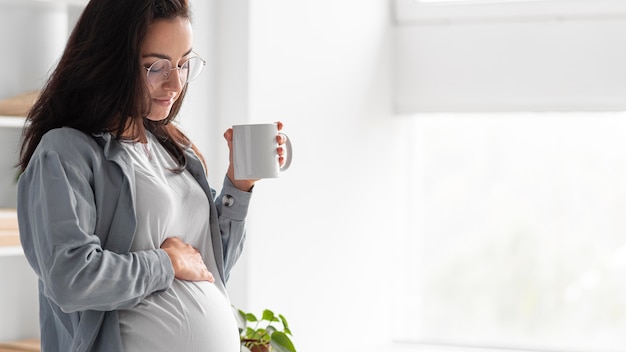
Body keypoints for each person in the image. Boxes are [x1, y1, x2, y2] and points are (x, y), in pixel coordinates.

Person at [16, 0, 286, 351]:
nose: (174, 84)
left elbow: (211, 269)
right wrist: (166, 263)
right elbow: (71, 277)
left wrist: (240, 185)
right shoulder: (66, 151)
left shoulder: (176, 151)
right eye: (156, 66)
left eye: (183, 63)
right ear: (111, 61)